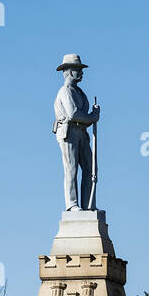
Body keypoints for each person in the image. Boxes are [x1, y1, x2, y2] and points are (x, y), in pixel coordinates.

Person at [53, 53, 99, 209]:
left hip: (82, 132)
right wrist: (91, 118)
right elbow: (73, 114)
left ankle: (88, 204)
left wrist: (93, 115)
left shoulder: (79, 92)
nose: (81, 72)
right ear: (69, 71)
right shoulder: (65, 91)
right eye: (78, 69)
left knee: (90, 169)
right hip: (69, 132)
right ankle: (72, 204)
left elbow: (82, 114)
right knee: (71, 169)